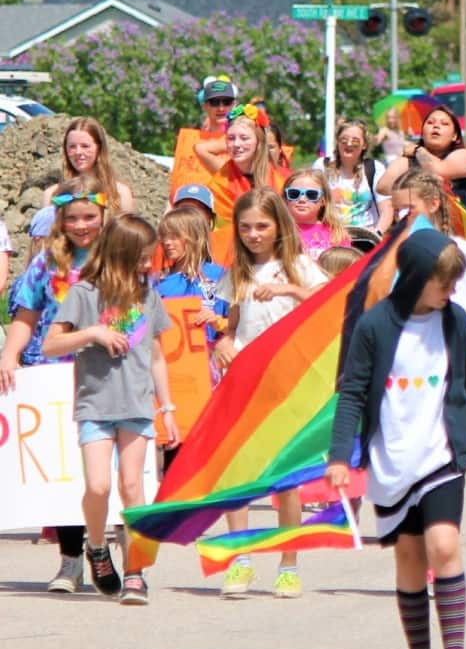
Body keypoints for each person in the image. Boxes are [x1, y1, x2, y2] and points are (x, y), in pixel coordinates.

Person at [326, 228, 466, 649]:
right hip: (392, 458)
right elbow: (353, 391)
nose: (451, 293)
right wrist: (341, 456)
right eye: (443, 283)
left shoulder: (454, 320)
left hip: (441, 453)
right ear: (417, 278)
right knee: (408, 558)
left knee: (445, 545)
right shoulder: (375, 325)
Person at [42, 214, 178, 605]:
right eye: (141, 258)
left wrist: (166, 406)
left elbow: (155, 355)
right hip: (96, 405)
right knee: (98, 486)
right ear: (120, 254)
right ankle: (97, 546)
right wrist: (93, 333)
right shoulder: (83, 294)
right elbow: (52, 345)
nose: (149, 265)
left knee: (133, 486)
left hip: (136, 405)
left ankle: (135, 570)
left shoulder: (149, 296)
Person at [212, 188, 328, 597]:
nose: (254, 234)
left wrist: (289, 290)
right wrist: (222, 341)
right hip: (245, 380)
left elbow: (331, 303)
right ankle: (240, 560)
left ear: (279, 226)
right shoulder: (237, 273)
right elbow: (230, 323)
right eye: (245, 227)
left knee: (285, 478)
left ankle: (288, 562)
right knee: (238, 474)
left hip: (288, 383)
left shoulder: (298, 266)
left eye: (262, 226)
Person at [0, 176, 106, 592]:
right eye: (73, 218)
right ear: (61, 219)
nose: (81, 225)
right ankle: (69, 561)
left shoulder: (117, 256)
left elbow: (138, 313)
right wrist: (9, 355)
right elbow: (25, 318)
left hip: (106, 373)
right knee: (63, 472)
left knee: (102, 474)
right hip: (53, 372)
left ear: (103, 215)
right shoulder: (45, 263)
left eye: (89, 217)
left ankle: (106, 553)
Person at [155, 207, 229, 474]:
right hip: (176, 371)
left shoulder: (220, 276)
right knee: (179, 437)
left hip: (213, 368)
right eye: (164, 237)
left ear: (196, 236)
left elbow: (237, 321)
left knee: (213, 437)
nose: (167, 243)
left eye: (175, 236)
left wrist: (219, 323)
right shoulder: (158, 284)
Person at [391, 170, 466, 338]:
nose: (401, 216)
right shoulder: (396, 254)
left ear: (433, 204)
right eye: (397, 210)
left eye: (409, 208)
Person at [208, 103, 289, 227]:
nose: (236, 144)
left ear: (259, 142)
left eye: (244, 138)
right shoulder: (220, 184)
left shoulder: (284, 179)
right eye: (231, 138)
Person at [315, 119, 394, 235]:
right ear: (337, 141)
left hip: (364, 238)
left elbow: (387, 209)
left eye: (355, 141)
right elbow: (311, 202)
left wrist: (377, 232)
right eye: (344, 140)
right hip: (330, 236)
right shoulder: (321, 166)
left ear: (364, 145)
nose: (349, 144)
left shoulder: (375, 168)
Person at [376, 105, 466, 196]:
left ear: (455, 136)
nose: (436, 126)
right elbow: (383, 187)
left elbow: (440, 170)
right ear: (422, 133)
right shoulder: (408, 160)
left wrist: (417, 150)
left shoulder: (465, 155)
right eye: (430, 122)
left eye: (444, 123)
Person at [43, 117, 134, 214]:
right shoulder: (52, 195)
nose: (78, 152)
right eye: (72, 146)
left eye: (85, 146)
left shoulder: (120, 193)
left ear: (99, 148)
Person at [172, 74, 237, 194]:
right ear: (205, 106)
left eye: (226, 102)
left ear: (234, 105)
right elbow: (176, 183)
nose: (221, 108)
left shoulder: (243, 143)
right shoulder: (188, 140)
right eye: (214, 102)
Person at [283, 169, 352, 262]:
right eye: (294, 194)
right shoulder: (279, 232)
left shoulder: (337, 234)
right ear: (286, 198)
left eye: (311, 195)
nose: (302, 199)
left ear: (323, 200)